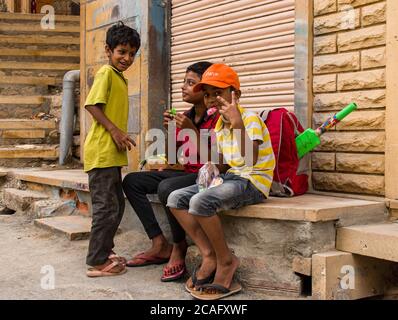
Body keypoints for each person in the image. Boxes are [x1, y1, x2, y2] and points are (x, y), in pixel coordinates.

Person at [167, 63, 276, 300]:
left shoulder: (249, 119)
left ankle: (226, 260)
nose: (212, 99)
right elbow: (222, 163)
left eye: (218, 93)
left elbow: (250, 160)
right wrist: (209, 168)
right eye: (207, 94)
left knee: (200, 202)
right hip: (231, 177)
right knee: (175, 198)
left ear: (235, 94)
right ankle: (210, 254)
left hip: (253, 181)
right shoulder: (218, 124)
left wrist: (237, 123)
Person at [122, 62, 220, 282]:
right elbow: (173, 158)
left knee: (166, 187)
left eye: (190, 83)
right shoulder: (185, 115)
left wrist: (192, 130)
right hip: (187, 173)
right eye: (183, 82)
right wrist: (172, 130)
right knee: (131, 181)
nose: (183, 87)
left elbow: (218, 161)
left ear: (205, 89)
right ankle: (159, 243)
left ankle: (179, 246)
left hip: (209, 174)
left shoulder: (218, 118)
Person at [84, 22, 140, 277]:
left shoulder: (120, 77)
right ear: (108, 50)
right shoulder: (106, 73)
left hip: (111, 155)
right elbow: (92, 105)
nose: (127, 58)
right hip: (101, 153)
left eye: (132, 53)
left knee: (115, 205)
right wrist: (115, 130)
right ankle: (97, 261)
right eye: (122, 52)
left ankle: (104, 251)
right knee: (107, 208)